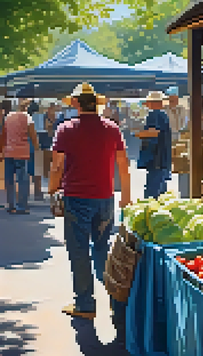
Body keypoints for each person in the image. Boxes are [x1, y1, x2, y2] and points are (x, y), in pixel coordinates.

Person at [47, 83, 130, 334]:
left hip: (76, 199)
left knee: (79, 251)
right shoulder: (112, 128)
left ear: (75, 103)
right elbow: (123, 163)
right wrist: (126, 195)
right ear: (97, 103)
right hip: (105, 197)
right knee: (104, 249)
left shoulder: (65, 129)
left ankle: (85, 304)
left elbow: (56, 166)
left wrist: (52, 191)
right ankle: (116, 302)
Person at [0, 100, 39, 214]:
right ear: (26, 108)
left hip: (8, 152)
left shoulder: (8, 117)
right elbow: (33, 135)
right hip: (21, 153)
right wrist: (37, 148)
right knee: (22, 180)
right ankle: (21, 206)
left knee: (9, 179)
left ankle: (10, 204)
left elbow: (3, 134)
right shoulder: (28, 118)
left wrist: (2, 150)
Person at [136, 91, 172, 199]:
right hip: (162, 157)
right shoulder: (163, 115)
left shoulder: (154, 115)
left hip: (156, 156)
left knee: (153, 190)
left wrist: (138, 134)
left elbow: (154, 132)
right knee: (161, 189)